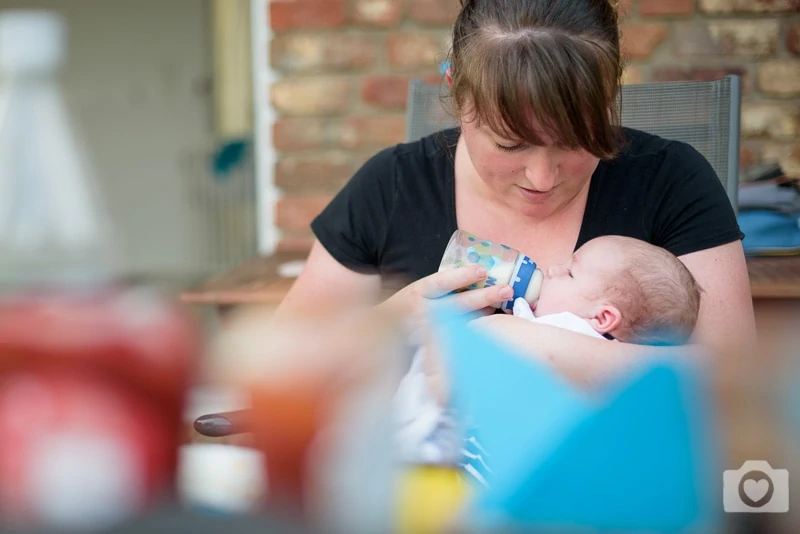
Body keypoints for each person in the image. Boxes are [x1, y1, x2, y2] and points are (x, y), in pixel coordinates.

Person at [274, 0, 756, 390]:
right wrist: (389, 324)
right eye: (510, 143)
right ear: (457, 94)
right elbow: (278, 363)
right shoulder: (392, 187)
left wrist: (519, 342)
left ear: (610, 95)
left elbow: (738, 385)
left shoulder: (669, 180)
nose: (542, 178)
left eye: (575, 140)